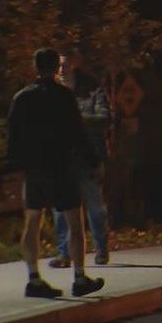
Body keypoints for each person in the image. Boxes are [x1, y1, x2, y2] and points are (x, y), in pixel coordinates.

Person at [6, 48, 105, 298]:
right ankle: (80, 277)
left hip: (35, 169)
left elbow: (13, 136)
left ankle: (33, 278)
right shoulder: (64, 97)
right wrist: (93, 161)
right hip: (61, 165)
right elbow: (78, 133)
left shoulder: (22, 98)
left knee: (32, 222)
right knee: (75, 222)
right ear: (55, 68)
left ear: (35, 67)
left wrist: (16, 166)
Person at [48, 56, 111, 267]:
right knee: (60, 210)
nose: (61, 70)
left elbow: (105, 118)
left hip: (88, 158)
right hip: (63, 160)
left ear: (74, 65)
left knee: (95, 208)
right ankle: (63, 254)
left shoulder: (93, 91)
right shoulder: (53, 94)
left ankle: (101, 249)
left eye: (64, 65)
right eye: (58, 67)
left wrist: (76, 119)